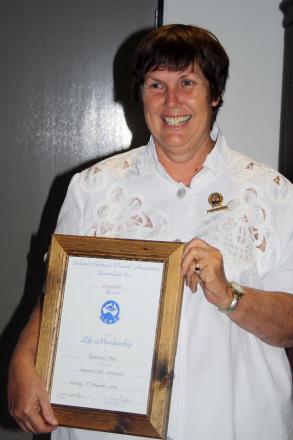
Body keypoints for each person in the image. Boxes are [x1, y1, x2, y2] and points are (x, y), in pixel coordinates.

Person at [8, 24, 293, 440]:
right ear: (139, 93)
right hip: (108, 429)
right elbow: (57, 294)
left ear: (214, 95)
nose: (171, 101)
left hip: (236, 423)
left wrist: (230, 295)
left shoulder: (273, 194)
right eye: (156, 84)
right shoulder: (93, 187)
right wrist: (22, 360)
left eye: (187, 83)